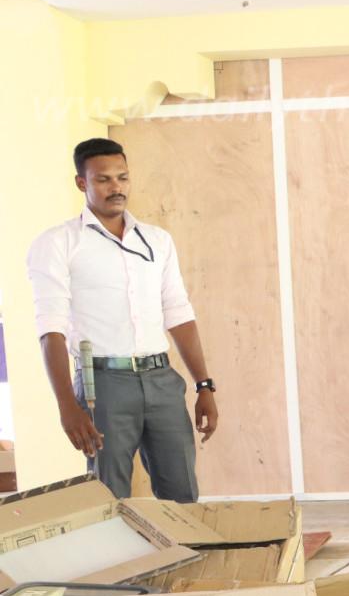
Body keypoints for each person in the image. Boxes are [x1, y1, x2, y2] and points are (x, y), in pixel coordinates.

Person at [28, 137, 219, 500]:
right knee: (109, 497)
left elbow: (178, 313)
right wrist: (67, 406)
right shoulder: (58, 243)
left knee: (182, 495)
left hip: (162, 380)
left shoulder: (157, 241)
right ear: (81, 183)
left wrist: (204, 386)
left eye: (122, 177)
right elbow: (50, 329)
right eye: (103, 180)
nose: (116, 188)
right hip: (103, 385)